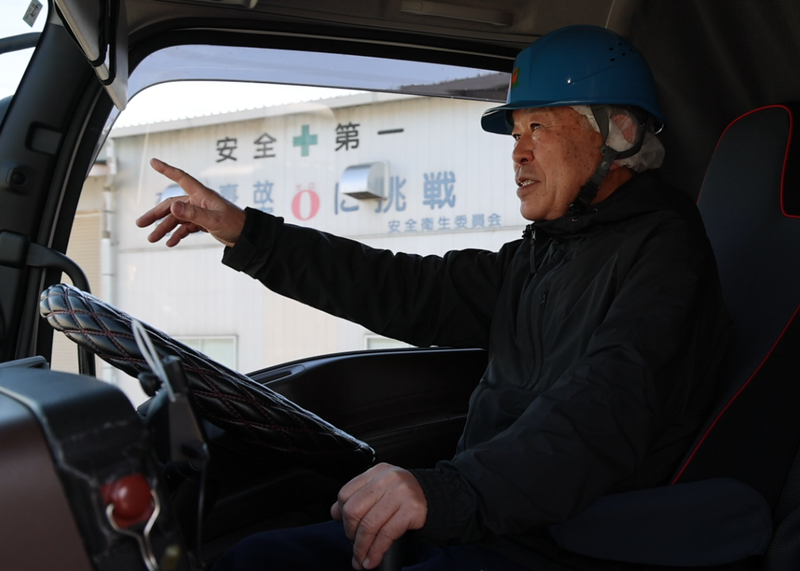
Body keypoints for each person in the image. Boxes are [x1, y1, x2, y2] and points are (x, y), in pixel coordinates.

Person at [136, 25, 730, 571]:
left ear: (617, 133)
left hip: (561, 540)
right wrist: (248, 234)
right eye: (516, 132)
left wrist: (449, 492)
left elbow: (604, 410)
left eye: (539, 127)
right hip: (488, 520)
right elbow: (404, 287)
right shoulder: (543, 253)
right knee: (258, 560)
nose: (518, 152)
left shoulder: (666, 252)